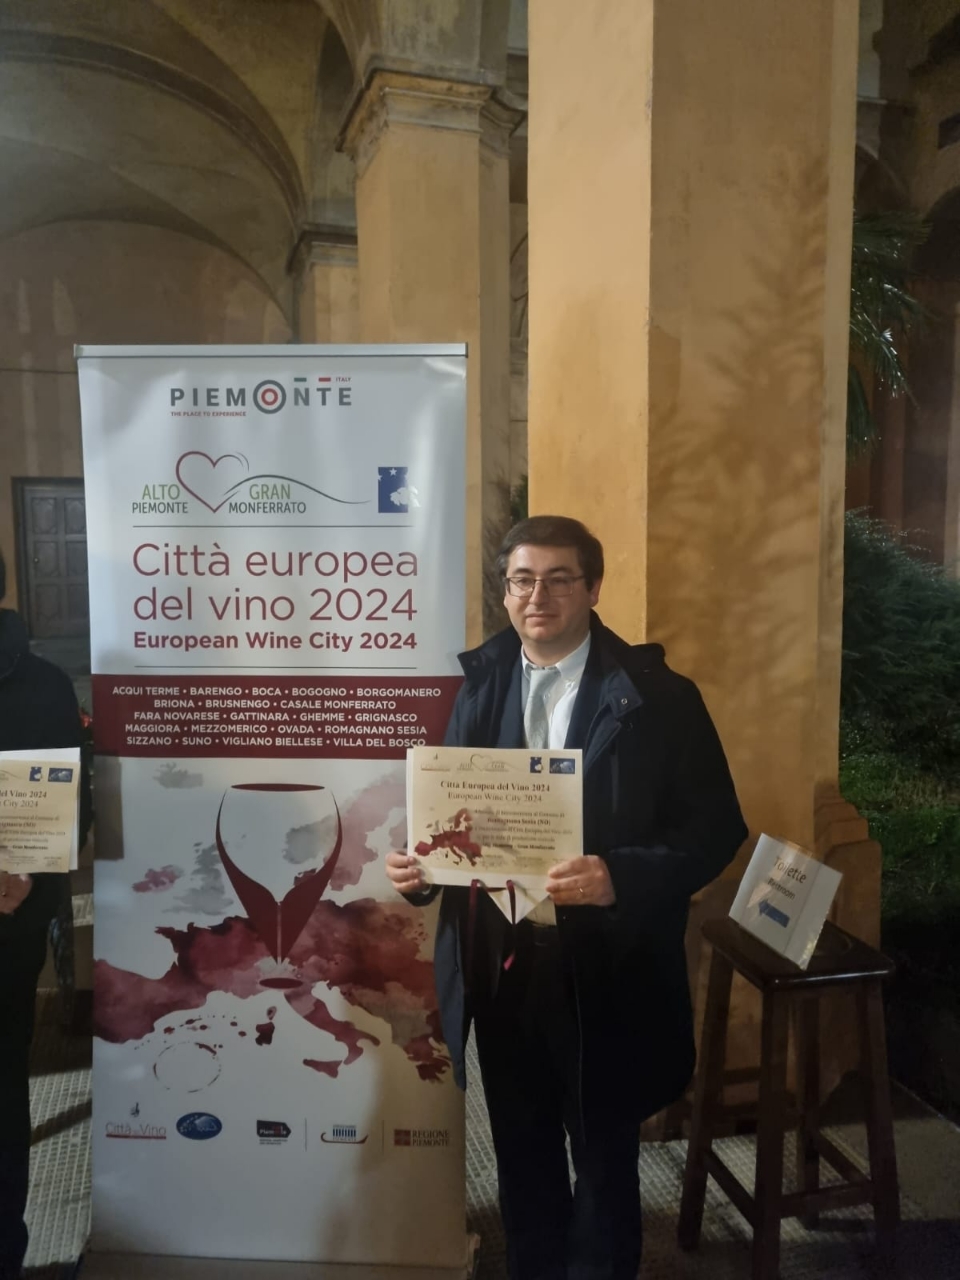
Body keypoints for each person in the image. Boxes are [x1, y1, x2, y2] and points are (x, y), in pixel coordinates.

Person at [386, 515, 747, 1280]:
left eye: (558, 579)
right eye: (522, 580)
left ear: (593, 589)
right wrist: (423, 870)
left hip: (606, 968)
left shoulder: (658, 698)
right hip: (503, 962)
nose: (537, 596)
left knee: (605, 1159)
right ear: (505, 592)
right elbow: (456, 820)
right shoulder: (480, 684)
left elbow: (716, 829)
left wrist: (621, 874)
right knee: (521, 1154)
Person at [0, 551, 92, 1280]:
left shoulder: (44, 687)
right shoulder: (47, 684)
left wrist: (26, 873)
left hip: (12, 917)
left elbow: (67, 810)